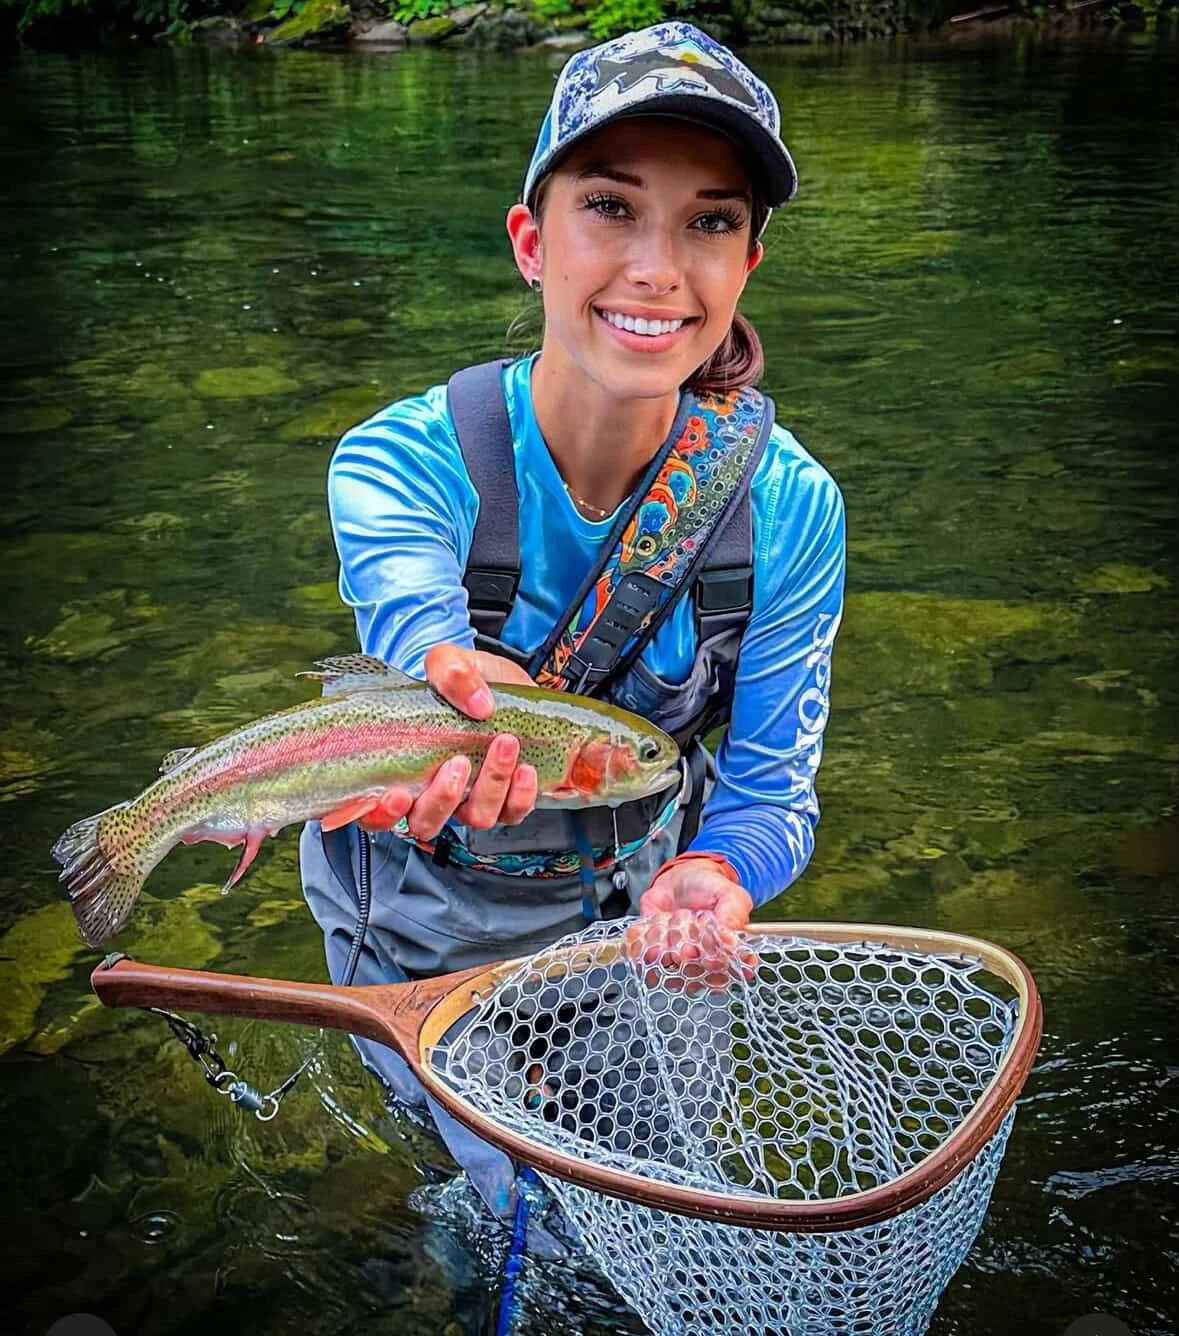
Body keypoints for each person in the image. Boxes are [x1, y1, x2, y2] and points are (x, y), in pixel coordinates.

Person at [299, 21, 845, 1239]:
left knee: (662, 1206)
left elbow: (768, 793)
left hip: (638, 914)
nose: (659, 267)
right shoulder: (402, 458)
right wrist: (451, 667)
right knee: (503, 1217)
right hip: (414, 919)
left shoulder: (790, 509)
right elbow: (412, 619)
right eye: (610, 206)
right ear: (531, 242)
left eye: (711, 221)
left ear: (749, 260)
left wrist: (715, 874)